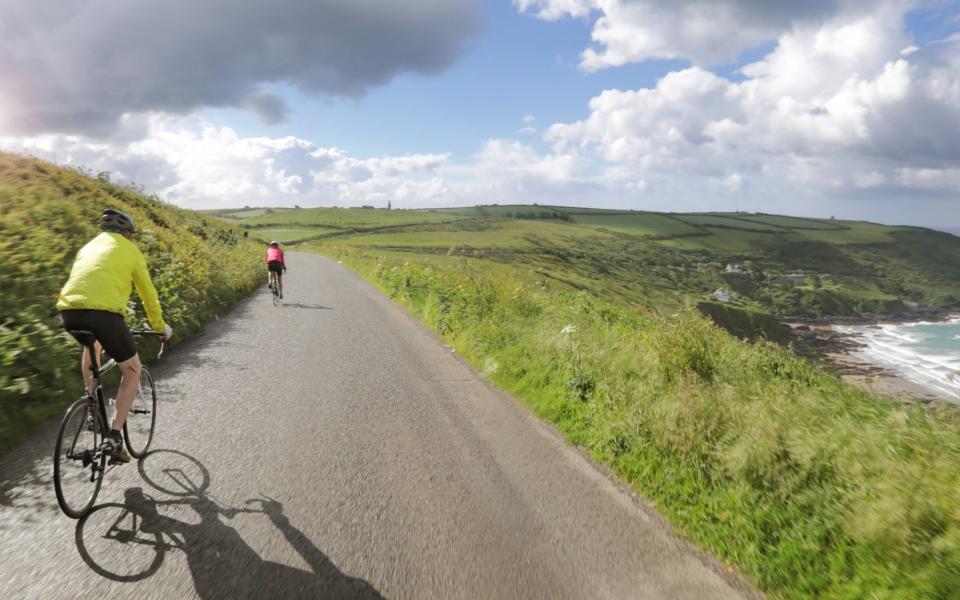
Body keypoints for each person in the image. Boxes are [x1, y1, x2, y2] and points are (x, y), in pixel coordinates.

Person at [57, 208, 172, 463]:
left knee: (92, 346)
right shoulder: (130, 250)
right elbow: (148, 294)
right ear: (128, 233)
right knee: (132, 370)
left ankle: (91, 406)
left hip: (69, 313)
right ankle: (115, 436)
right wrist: (159, 326)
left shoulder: (87, 247)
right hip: (105, 315)